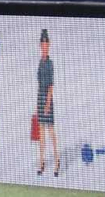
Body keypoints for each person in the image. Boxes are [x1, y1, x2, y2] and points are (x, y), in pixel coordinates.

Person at [36, 29, 60, 177]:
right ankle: (42, 161)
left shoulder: (50, 64)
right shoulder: (40, 63)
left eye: (46, 44)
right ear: (40, 45)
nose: (44, 47)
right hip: (40, 97)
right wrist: (39, 102)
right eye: (42, 44)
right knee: (41, 132)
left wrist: (47, 104)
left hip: (48, 99)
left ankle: (57, 160)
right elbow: (39, 84)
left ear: (49, 45)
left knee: (50, 131)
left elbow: (51, 85)